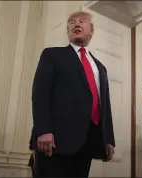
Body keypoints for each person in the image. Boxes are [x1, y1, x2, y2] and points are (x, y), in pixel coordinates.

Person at [29, 11, 115, 177]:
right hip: (55, 141)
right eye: (71, 22)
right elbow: (40, 94)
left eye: (82, 21)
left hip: (88, 142)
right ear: (68, 31)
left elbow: (105, 106)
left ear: (91, 30)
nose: (76, 24)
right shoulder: (52, 55)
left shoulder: (100, 67)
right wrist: (43, 130)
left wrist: (108, 139)